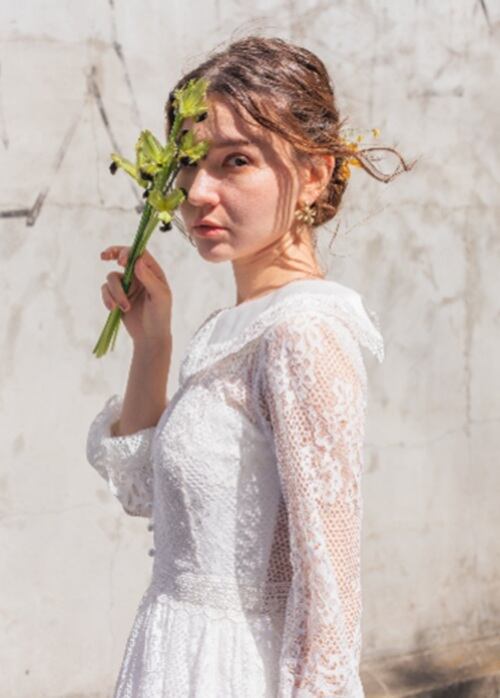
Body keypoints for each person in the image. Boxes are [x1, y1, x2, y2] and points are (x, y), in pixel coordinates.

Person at [86, 35, 412, 698]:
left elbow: (330, 595)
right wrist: (153, 346)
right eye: (189, 164)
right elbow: (144, 496)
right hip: (170, 659)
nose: (196, 191)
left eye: (235, 161)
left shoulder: (302, 332)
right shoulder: (233, 330)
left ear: (313, 173)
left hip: (232, 672)